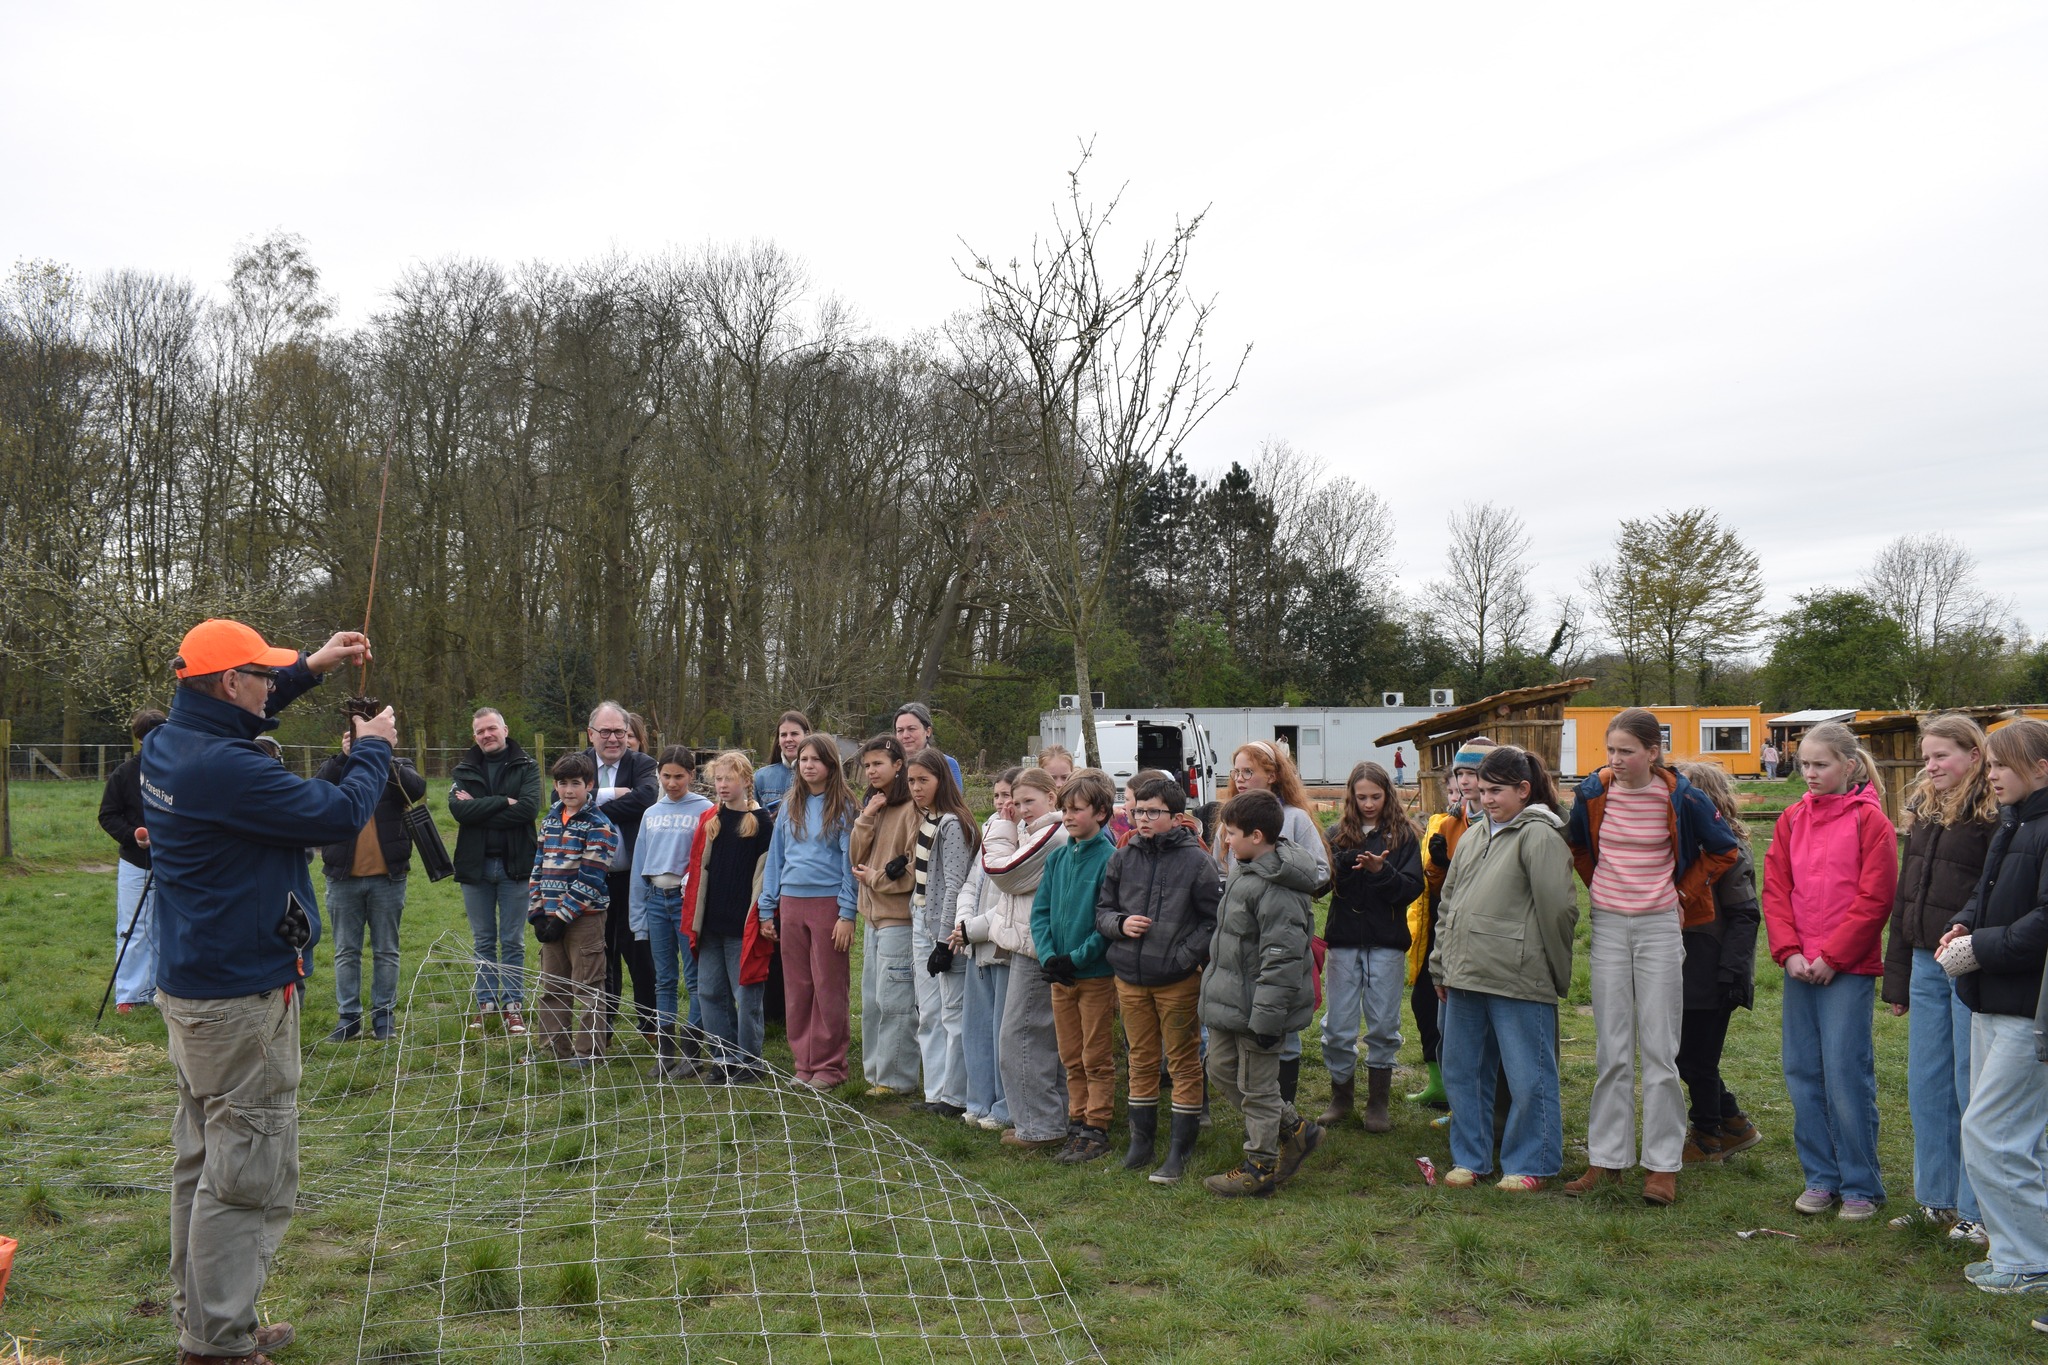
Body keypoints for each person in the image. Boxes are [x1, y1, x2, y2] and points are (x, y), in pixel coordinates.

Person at [143, 618, 387, 1364]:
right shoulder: (227, 768)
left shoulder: (171, 742)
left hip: (194, 988)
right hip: (241, 1001)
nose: (270, 683)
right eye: (262, 673)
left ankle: (203, 1320)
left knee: (202, 1164)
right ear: (229, 682)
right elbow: (338, 815)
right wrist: (374, 750)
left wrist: (313, 666)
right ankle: (218, 1342)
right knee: (247, 1176)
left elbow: (242, 710)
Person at [1562, 708, 1740, 1207]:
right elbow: (1577, 845)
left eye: (1627, 751)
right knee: (1612, 1048)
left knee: (1660, 1050)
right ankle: (1607, 1158)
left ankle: (1662, 1165)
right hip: (1608, 926)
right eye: (1610, 750)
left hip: (1661, 925)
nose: (1616, 760)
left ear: (1653, 752)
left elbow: (1723, 850)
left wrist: (1682, 892)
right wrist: (1599, 885)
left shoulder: (1684, 796)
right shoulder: (1592, 793)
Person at [1763, 720, 1898, 1221]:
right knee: (1802, 1071)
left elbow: (1875, 897)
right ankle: (1820, 1177)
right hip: (1799, 967)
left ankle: (1861, 1184)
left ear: (1849, 765)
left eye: (1821, 764)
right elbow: (1776, 888)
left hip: (1848, 969)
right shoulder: (1791, 818)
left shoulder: (1871, 822)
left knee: (1845, 1073)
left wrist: (1834, 957)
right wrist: (1789, 952)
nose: (1810, 773)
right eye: (1804, 764)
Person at [1431, 745, 1578, 1194]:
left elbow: (1559, 910)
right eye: (1482, 789)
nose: (1487, 798)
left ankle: (1532, 1162)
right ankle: (1470, 1159)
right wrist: (1440, 964)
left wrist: (1552, 972)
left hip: (1518, 977)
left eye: (1497, 790)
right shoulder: (1473, 834)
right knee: (1463, 1072)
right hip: (1464, 974)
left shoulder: (1540, 836)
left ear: (1524, 789)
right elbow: (1449, 903)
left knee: (1528, 1075)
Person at [1882, 714, 1997, 1243]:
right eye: (1926, 756)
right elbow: (1906, 896)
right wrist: (1898, 977)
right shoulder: (1924, 811)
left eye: (1941, 755)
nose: (1930, 766)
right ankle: (1935, 1200)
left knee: (1971, 1085)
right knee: (1927, 1082)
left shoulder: (1993, 815)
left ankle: (1978, 1211)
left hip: (1970, 962)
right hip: (1924, 962)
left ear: (1974, 755)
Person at [1943, 718, 2048, 1293]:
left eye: (2002, 765)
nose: (1992, 775)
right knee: (2016, 1136)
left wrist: (1978, 948)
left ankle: (2029, 1261)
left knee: (1994, 1132)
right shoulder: (2015, 820)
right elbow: (1986, 894)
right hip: (1993, 1000)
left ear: (2041, 769)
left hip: (2030, 1007)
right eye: (1990, 765)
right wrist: (1964, 923)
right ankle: (2018, 1252)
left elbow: (2045, 921)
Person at [1095, 773, 1221, 1182]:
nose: (1143, 819)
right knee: (1141, 1060)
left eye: (1153, 812)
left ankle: (1179, 1151)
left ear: (1176, 816)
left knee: (1183, 1062)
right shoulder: (1123, 855)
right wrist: (1120, 924)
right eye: (1138, 812)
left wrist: (1183, 957)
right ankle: (1141, 1145)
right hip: (1129, 979)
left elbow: (1212, 920)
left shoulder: (1197, 861)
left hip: (1177, 981)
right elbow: (1103, 911)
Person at [1199, 788, 1325, 1197]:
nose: (1225, 838)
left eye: (1231, 832)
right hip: (1231, 1002)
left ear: (1256, 836)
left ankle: (1259, 1167)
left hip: (1260, 1009)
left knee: (1258, 1088)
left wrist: (1268, 1021)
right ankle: (1295, 1128)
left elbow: (1282, 959)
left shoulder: (1279, 888)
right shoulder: (1245, 868)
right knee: (1220, 1068)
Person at [1216, 740, 1329, 1107]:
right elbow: (1221, 871)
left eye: (1248, 771)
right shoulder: (1229, 818)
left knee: (1280, 1017)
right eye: (1236, 771)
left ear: (1273, 775)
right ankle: (1266, 1114)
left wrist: (1276, 879)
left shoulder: (1294, 818)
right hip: (1239, 938)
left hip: (1280, 931)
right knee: (1244, 1018)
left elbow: (1320, 871)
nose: (1240, 778)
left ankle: (1284, 1112)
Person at [1319, 761, 1425, 1133]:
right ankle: (1341, 1097)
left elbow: (1412, 888)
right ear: (1351, 796)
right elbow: (1319, 885)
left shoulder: (1405, 835)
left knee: (1383, 1024)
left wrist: (1382, 872)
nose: (1368, 804)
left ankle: (1378, 1103)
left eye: (1375, 797)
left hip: (1386, 942)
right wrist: (1343, 865)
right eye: (1361, 797)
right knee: (1338, 1025)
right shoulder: (1335, 834)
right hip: (1344, 941)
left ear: (1387, 795)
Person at [1673, 761, 1765, 1164]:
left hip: (1712, 967)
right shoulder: (1683, 844)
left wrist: (1731, 973)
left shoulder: (1728, 849)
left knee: (1698, 1058)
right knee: (1683, 1054)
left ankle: (1708, 1134)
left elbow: (1744, 915)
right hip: (1684, 965)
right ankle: (1734, 1123)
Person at [313, 729, 427, 1042]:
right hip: (342, 877)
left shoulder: (397, 765)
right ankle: (348, 1018)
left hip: (388, 878)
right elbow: (317, 789)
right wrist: (344, 756)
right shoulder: (339, 766)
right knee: (345, 951)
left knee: (386, 950)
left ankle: (384, 1017)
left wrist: (384, 755)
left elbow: (416, 789)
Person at [760, 733, 859, 1089]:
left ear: (831, 764)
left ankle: (830, 1066)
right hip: (790, 903)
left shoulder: (844, 806)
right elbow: (776, 858)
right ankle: (804, 1063)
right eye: (804, 760)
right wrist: (766, 906)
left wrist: (847, 913)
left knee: (828, 986)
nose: (809, 765)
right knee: (798, 986)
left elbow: (850, 864)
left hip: (828, 904)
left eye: (816, 759)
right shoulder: (789, 805)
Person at [1031, 768, 1120, 1164]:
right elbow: (1040, 912)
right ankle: (1077, 1120)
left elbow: (1108, 921)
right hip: (1060, 976)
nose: (1068, 816)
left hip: (1094, 975)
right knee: (1069, 1053)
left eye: (1077, 809)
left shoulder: (1110, 860)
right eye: (1065, 809)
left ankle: (1097, 1125)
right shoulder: (1057, 859)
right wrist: (1049, 956)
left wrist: (1078, 957)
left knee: (1095, 1055)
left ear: (1100, 813)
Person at [1406, 737, 1495, 1109]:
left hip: (1490, 935)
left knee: (1484, 1030)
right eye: (1460, 773)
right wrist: (1438, 865)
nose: (1466, 781)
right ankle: (1455, 1100)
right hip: (1448, 931)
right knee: (1438, 1014)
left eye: (1473, 772)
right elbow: (1435, 887)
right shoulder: (1448, 822)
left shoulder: (1502, 819)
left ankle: (1483, 1109)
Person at [680, 751, 777, 1083]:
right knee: (709, 993)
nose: (722, 785)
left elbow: (767, 876)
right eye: (718, 779)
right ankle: (724, 1057)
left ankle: (750, 1062)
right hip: (711, 926)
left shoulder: (762, 823)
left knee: (745, 996)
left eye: (729, 779)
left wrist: (764, 916)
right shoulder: (712, 819)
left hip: (742, 928)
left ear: (746, 781)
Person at [987, 767, 1070, 1150]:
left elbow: (1003, 872)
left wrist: (1001, 829)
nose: (1020, 809)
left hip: (1039, 949)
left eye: (1028, 801)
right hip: (1031, 946)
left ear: (1052, 797)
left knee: (1021, 1038)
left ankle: (1040, 1127)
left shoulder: (1053, 834)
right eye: (1015, 802)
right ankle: (1049, 1120)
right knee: (1038, 1038)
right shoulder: (1035, 832)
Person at [449, 707, 541, 1035]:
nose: (486, 735)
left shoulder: (527, 766)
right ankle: (485, 1004)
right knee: (484, 940)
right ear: (475, 737)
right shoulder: (464, 769)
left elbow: (528, 809)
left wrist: (480, 807)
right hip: (476, 868)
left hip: (516, 866)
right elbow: (459, 812)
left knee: (513, 940)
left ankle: (513, 1006)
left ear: (505, 729)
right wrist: (504, 801)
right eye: (480, 731)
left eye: (491, 728)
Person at [628, 747, 715, 1077]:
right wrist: (638, 915)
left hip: (686, 901)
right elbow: (640, 863)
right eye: (666, 776)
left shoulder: (705, 809)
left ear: (692, 775)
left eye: (679, 776)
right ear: (658, 775)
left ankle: (692, 1052)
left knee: (693, 978)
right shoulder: (651, 813)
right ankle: (665, 1053)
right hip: (655, 900)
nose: (672, 783)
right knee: (663, 979)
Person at [530, 752, 620, 1066]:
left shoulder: (600, 825)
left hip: (585, 919)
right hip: (549, 917)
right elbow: (537, 867)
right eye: (563, 783)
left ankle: (588, 1053)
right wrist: (537, 913)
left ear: (589, 785)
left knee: (588, 987)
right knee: (552, 986)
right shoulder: (550, 819)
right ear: (555, 785)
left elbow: (591, 877)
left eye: (576, 783)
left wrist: (563, 917)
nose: (568, 790)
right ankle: (553, 1048)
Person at [583, 701, 661, 1051]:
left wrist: (590, 803)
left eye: (619, 731)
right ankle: (603, 1025)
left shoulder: (641, 763)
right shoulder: (581, 763)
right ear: (591, 734)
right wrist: (613, 795)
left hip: (633, 878)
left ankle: (651, 1024)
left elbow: (646, 798)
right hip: (592, 878)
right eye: (606, 732)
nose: (613, 738)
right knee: (601, 954)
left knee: (639, 951)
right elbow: (561, 796)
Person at [907, 747, 978, 1116]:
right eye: (912, 781)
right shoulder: (927, 818)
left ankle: (956, 1095)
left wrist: (944, 942)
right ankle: (935, 1092)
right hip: (921, 918)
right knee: (929, 1012)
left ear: (942, 780)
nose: (917, 787)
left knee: (953, 1012)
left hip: (943, 929)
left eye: (924, 780)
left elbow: (954, 884)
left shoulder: (952, 823)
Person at [851, 736, 922, 1096]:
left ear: (898, 765)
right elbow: (854, 857)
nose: (871, 771)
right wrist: (866, 816)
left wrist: (876, 879)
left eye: (878, 763)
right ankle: (875, 1075)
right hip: (872, 919)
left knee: (895, 1004)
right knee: (872, 1002)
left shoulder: (912, 809)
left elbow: (913, 870)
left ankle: (896, 1080)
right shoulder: (874, 804)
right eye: (866, 765)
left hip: (899, 920)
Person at [953, 767, 1022, 1130]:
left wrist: (972, 929)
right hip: (975, 943)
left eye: (1008, 795)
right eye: (996, 795)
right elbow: (971, 883)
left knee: (1002, 1031)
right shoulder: (991, 828)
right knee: (976, 1026)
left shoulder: (1027, 836)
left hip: (1001, 943)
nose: (1000, 802)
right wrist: (962, 921)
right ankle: (978, 1101)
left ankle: (1004, 1106)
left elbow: (1011, 898)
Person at [98, 706, 166, 1014]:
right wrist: (132, 836)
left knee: (167, 927)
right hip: (136, 862)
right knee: (133, 927)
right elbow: (108, 815)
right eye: (149, 736)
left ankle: (163, 990)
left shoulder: (178, 772)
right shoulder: (124, 774)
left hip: (174, 862)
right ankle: (129, 994)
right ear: (139, 739)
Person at [893, 702, 962, 788]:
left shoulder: (947, 764)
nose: (905, 735)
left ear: (928, 731)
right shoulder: (891, 766)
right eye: (900, 730)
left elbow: (953, 796)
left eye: (911, 729)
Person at [753, 710, 810, 814]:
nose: (788, 739)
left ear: (807, 736)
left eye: (794, 734)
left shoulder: (820, 775)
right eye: (783, 735)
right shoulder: (760, 778)